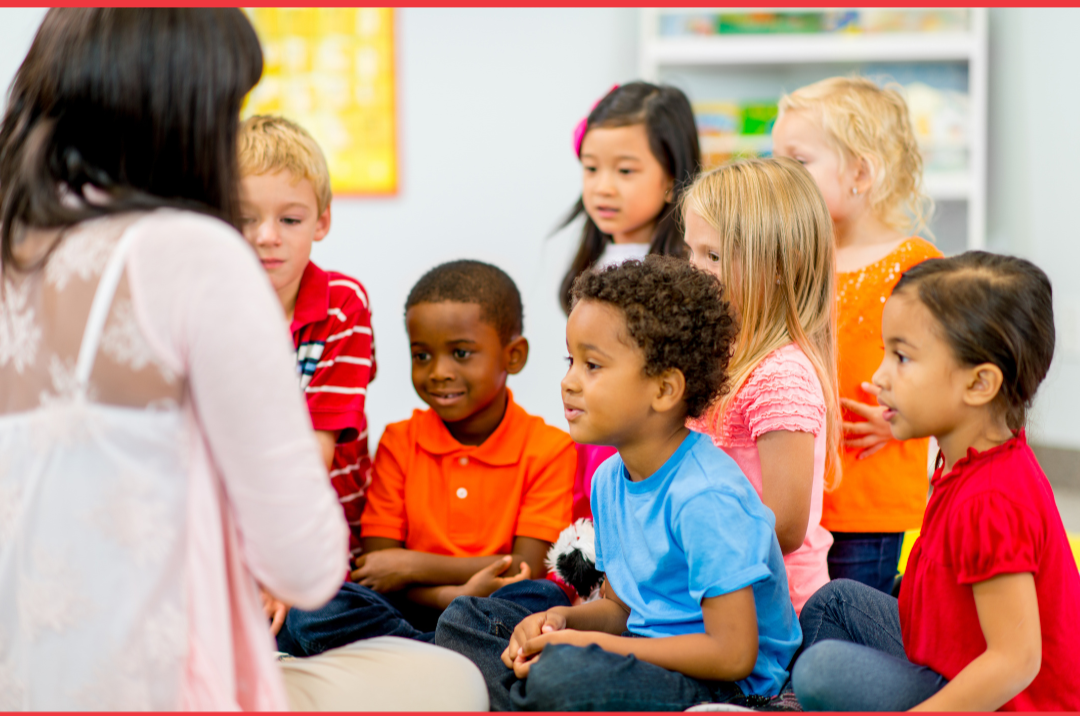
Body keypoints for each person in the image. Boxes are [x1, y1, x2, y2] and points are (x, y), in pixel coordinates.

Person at [0, 9, 487, 710]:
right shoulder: (192, 255)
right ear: (182, 110)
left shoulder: (19, 242)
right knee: (452, 679)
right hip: (150, 678)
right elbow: (306, 560)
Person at [433, 256, 802, 711]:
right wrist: (561, 621)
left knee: (564, 675)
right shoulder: (610, 478)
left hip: (729, 687)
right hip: (643, 656)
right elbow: (622, 610)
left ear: (664, 390)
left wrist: (589, 649)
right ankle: (533, 693)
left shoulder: (706, 496)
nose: (569, 382)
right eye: (571, 361)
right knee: (464, 620)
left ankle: (528, 694)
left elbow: (733, 654)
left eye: (593, 365)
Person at [792, 252, 1080, 711]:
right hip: (952, 658)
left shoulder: (993, 500)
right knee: (835, 601)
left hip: (1009, 702)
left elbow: (1015, 662)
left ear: (979, 384)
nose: (878, 377)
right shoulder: (972, 456)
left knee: (820, 670)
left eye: (902, 357)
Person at [276, 260, 575, 655]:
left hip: (490, 609)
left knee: (539, 597)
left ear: (513, 356)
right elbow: (377, 564)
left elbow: (523, 567)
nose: (438, 372)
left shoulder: (548, 447)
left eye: (461, 353)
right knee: (314, 609)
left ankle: (415, 657)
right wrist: (452, 592)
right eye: (422, 356)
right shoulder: (400, 440)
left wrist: (411, 566)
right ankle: (448, 653)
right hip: (411, 607)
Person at [772, 76, 944, 593]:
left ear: (860, 173)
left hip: (870, 498)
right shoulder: (795, 259)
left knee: (849, 613)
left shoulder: (917, 265)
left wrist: (902, 422)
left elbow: (946, 371)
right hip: (797, 491)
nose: (780, 176)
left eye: (797, 162)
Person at [683, 157, 841, 616]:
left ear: (778, 266)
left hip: (776, 608)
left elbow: (786, 528)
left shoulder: (780, 375)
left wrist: (682, 537)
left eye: (711, 256)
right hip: (713, 590)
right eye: (689, 251)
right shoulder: (717, 352)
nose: (693, 270)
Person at [557, 81, 703, 565]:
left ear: (670, 179)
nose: (602, 186)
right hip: (594, 452)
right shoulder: (596, 260)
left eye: (625, 171)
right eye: (591, 168)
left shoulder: (688, 272)